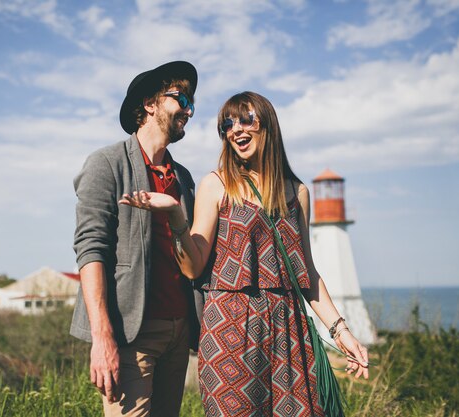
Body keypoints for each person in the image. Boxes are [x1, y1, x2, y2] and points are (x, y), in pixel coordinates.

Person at [120, 91, 369, 416]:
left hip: (289, 330)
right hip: (230, 329)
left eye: (245, 120)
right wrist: (175, 215)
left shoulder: (298, 192)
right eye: (228, 124)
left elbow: (306, 271)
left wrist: (342, 331)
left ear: (267, 126)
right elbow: (193, 267)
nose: (236, 129)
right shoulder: (217, 185)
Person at [69, 60, 205, 417]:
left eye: (192, 103)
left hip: (179, 332)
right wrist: (102, 338)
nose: (189, 111)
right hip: (130, 333)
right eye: (181, 99)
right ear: (150, 103)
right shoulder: (106, 163)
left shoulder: (184, 178)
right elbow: (90, 249)